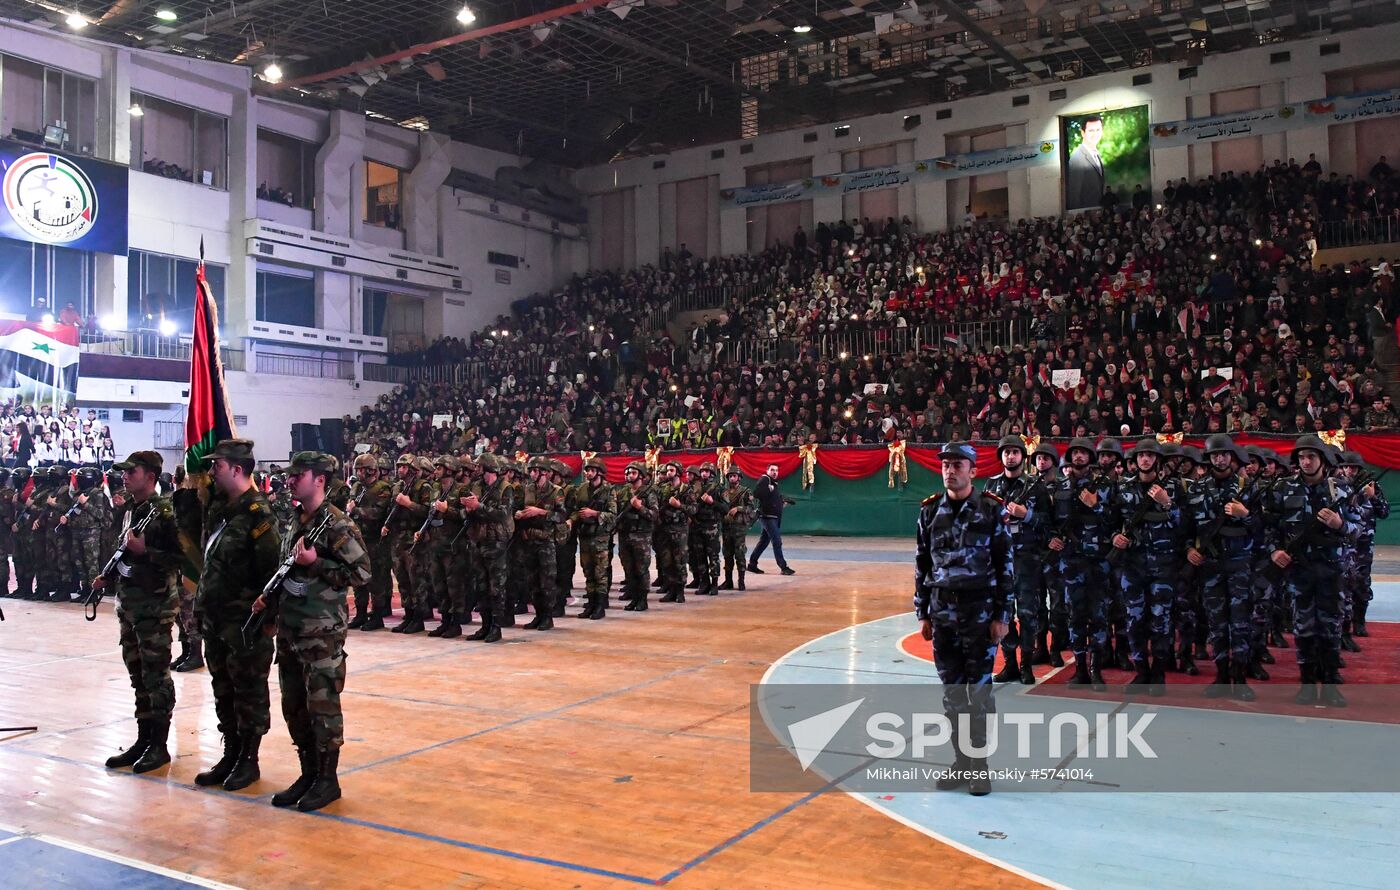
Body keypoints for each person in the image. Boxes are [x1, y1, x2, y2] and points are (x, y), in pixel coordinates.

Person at [253, 450, 369, 812]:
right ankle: (308, 773)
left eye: (298, 475)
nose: (290, 480)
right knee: (295, 706)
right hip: (291, 630)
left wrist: (317, 563)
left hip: (321, 632)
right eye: (290, 474)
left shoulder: (337, 525)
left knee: (323, 707)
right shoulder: (295, 520)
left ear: (319, 479)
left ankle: (327, 780)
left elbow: (362, 574)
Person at [914, 443, 1013, 797]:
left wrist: (1003, 616)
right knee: (953, 695)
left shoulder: (990, 510)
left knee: (980, 694)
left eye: (957, 465)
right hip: (942, 614)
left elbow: (1005, 566)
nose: (949, 471)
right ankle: (961, 762)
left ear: (973, 470)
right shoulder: (929, 512)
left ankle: (980, 766)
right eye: (945, 465)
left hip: (980, 613)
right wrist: (922, 612)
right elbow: (922, 563)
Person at [192, 439, 282, 792]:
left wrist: (266, 618)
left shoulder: (258, 516)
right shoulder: (221, 510)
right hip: (217, 619)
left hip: (245, 623)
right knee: (223, 689)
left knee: (249, 691)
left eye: (218, 465)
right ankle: (230, 753)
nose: (212, 471)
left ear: (237, 468)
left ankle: (249, 759)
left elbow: (271, 573)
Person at [93, 450, 182, 774]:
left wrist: (148, 551)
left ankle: (159, 745)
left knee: (156, 676)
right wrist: (110, 575)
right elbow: (125, 553)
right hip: (130, 606)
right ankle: (143, 740)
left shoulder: (166, 511)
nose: (125, 476)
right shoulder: (132, 509)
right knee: (138, 675)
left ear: (151, 475)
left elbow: (184, 558)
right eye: (124, 472)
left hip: (155, 607)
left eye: (132, 471)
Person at [748, 463, 796, 576]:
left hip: (772, 517)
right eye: (772, 470)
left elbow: (770, 499)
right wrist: (769, 490)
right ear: (767, 471)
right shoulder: (765, 480)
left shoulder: (773, 483)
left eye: (776, 470)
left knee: (763, 542)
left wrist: (781, 502)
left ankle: (752, 564)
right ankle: (783, 567)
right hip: (767, 517)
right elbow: (757, 493)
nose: (775, 472)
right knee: (777, 541)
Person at [720, 467, 756, 590]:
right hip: (726, 527)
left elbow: (751, 508)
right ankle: (728, 581)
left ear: (739, 478)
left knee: (740, 554)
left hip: (739, 528)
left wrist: (739, 509)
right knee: (727, 554)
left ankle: (741, 581)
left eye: (734, 476)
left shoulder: (745, 491)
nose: (731, 478)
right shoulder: (723, 492)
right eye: (730, 476)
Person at [1065, 115, 1107, 210]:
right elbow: (1073, 195)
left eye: (1098, 130)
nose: (1095, 134)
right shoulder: (1077, 159)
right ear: (1083, 133)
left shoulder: (1096, 154)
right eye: (1091, 131)